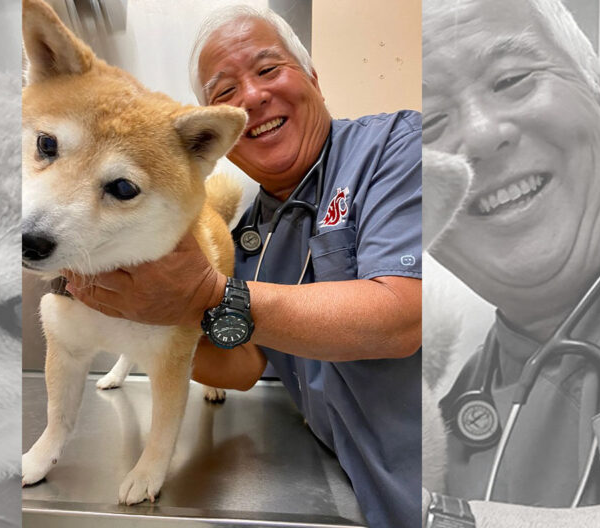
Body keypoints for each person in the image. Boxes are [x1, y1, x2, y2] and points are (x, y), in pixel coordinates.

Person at [64, 6, 422, 528]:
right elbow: (245, 366)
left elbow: (402, 317)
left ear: (313, 77)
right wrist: (146, 321)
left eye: (268, 69)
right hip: (361, 483)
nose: (252, 97)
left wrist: (208, 295)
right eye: (225, 92)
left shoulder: (396, 148)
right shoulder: (248, 234)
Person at [423, 0, 600, 526]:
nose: (482, 135)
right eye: (431, 123)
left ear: (598, 89)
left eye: (511, 80)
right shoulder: (454, 392)